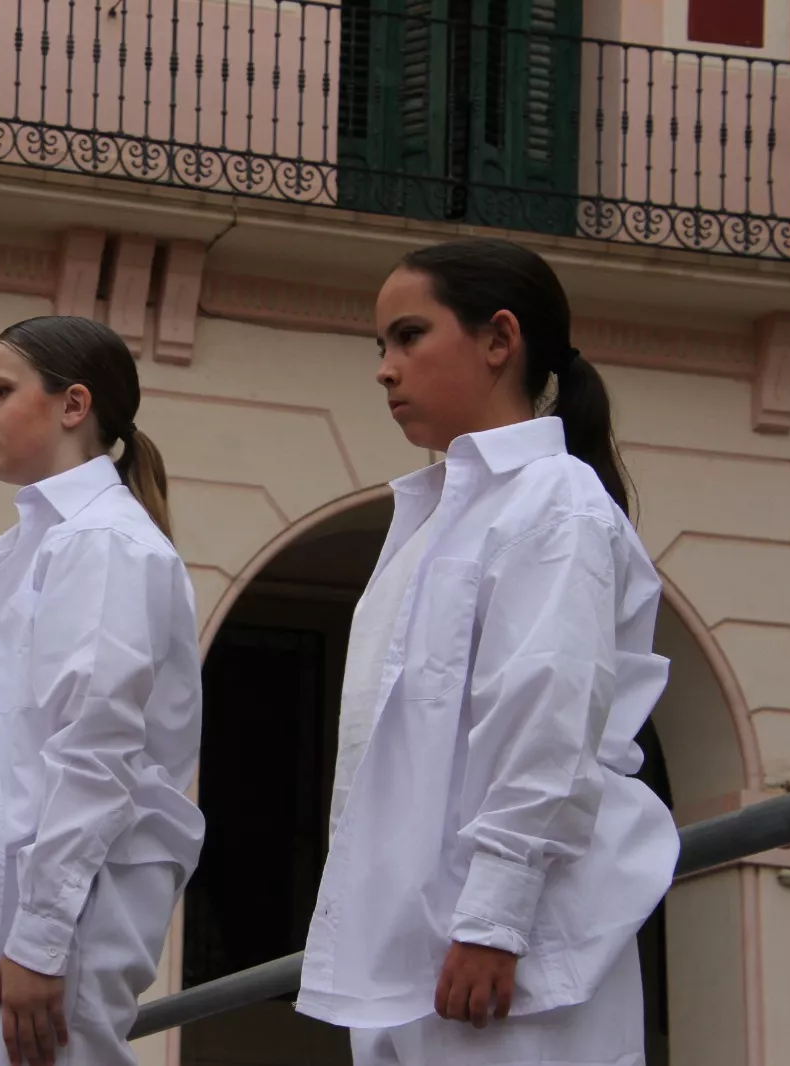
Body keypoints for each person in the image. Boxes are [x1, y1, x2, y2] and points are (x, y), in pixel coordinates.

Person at [297, 238, 678, 1066]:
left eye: (408, 336)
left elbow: (549, 711)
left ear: (499, 339)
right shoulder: (436, 522)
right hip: (416, 951)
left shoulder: (556, 501)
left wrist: (495, 918)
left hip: (502, 959)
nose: (385, 369)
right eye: (381, 346)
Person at [0, 315, 205, 1066]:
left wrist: (41, 939)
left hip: (62, 922)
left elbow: (96, 752)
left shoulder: (105, 543)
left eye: (1, 390)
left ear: (73, 405)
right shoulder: (28, 550)